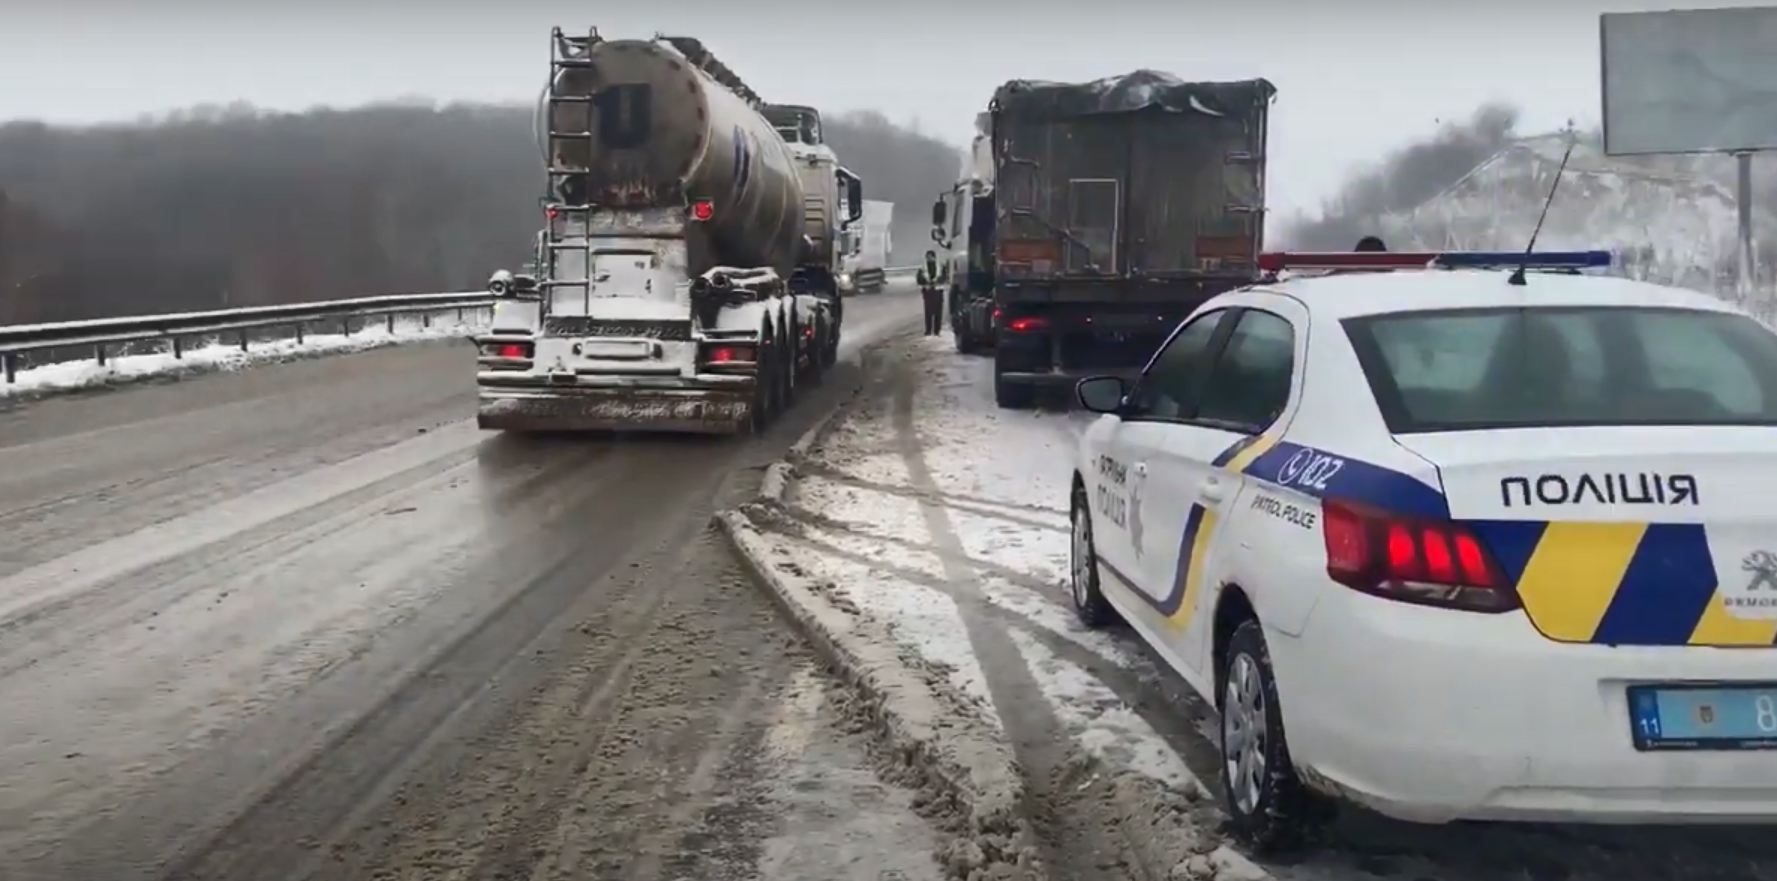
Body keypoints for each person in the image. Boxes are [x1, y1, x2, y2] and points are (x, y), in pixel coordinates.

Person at [919, 249, 946, 336]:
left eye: (931, 257)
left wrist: (937, 280)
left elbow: (945, 277)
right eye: (928, 257)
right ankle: (928, 330)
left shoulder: (940, 267)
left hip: (938, 291)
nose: (929, 259)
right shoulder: (923, 268)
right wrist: (926, 282)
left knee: (938, 312)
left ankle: (937, 330)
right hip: (928, 292)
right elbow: (919, 279)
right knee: (928, 312)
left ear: (934, 258)